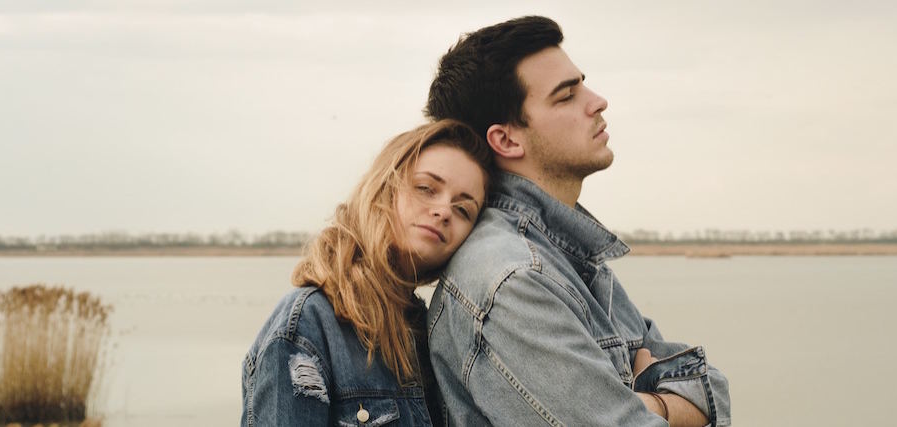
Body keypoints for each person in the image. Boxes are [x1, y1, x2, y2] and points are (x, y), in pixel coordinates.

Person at [424, 16, 732, 426]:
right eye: (567, 96)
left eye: (582, 84)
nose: (598, 100)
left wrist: (649, 403)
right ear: (507, 140)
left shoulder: (568, 259)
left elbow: (708, 388)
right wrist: (659, 404)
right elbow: (684, 399)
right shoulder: (512, 279)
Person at [240, 119, 494, 427]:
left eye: (463, 209)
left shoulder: (435, 335)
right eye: (426, 188)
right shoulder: (308, 323)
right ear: (384, 188)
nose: (443, 211)